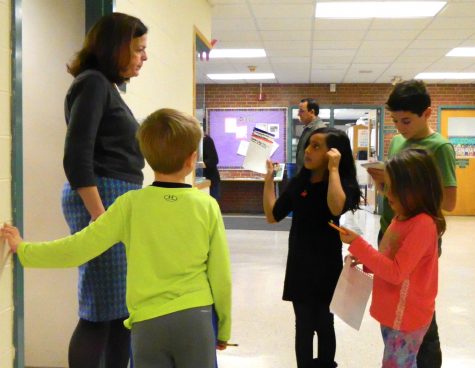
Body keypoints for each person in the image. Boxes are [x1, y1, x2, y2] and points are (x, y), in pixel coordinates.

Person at [2, 108, 232, 368]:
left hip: (147, 323)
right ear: (192, 160)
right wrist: (224, 326)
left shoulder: (130, 205)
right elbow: (220, 273)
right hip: (195, 318)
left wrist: (24, 249)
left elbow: (79, 247)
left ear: (145, 157)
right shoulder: (206, 206)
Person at [59, 12, 149, 368]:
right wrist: (102, 219)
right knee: (99, 310)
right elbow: (77, 157)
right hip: (102, 199)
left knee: (120, 310)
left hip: (115, 199)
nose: (144, 57)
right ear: (117, 47)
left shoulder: (104, 86)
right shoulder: (93, 83)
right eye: (139, 49)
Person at [367, 79, 456, 368]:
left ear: (427, 113)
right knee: (394, 298)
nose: (401, 128)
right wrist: (386, 183)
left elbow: (449, 202)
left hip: (418, 231)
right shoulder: (397, 141)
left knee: (416, 305)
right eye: (395, 121)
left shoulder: (439, 147)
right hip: (392, 226)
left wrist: (414, 189)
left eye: (406, 120)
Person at [263, 127, 361, 368]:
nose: (307, 150)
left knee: (324, 323)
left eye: (316, 146)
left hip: (327, 265)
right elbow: (273, 216)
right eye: (308, 144)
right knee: (303, 325)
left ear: (333, 153)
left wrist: (334, 170)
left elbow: (335, 207)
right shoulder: (300, 182)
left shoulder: (343, 182)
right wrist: (268, 180)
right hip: (299, 264)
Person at [340, 148, 445, 368]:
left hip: (407, 316)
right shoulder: (401, 217)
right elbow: (390, 260)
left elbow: (397, 272)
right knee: (401, 362)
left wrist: (358, 244)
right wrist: (367, 262)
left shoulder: (423, 225)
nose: (387, 195)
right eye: (387, 187)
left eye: (393, 189)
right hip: (395, 311)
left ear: (416, 190)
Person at [295, 98, 326, 172]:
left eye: (301, 111)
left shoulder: (319, 130)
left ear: (312, 112)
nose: (298, 114)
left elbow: (319, 159)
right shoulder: (309, 128)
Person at [203, 134, 221, 201]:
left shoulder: (206, 139)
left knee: (212, 206)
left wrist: (197, 164)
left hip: (211, 181)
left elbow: (214, 160)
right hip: (200, 181)